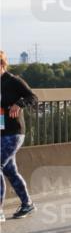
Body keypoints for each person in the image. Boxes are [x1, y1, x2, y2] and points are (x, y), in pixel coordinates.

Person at [0, 50, 38, 220]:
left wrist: (19, 104)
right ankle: (27, 204)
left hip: (14, 132)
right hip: (1, 132)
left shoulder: (13, 81)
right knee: (10, 171)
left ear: (1, 64)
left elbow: (33, 97)